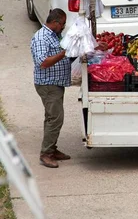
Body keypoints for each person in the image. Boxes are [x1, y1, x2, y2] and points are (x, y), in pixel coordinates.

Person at [30, 9, 106, 168]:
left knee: (52, 117)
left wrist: (94, 48)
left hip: (56, 83)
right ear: (56, 22)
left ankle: (52, 148)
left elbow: (71, 52)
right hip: (48, 83)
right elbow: (43, 62)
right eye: (63, 24)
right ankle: (46, 154)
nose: (64, 27)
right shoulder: (41, 38)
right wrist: (64, 53)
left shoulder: (55, 35)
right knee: (55, 118)